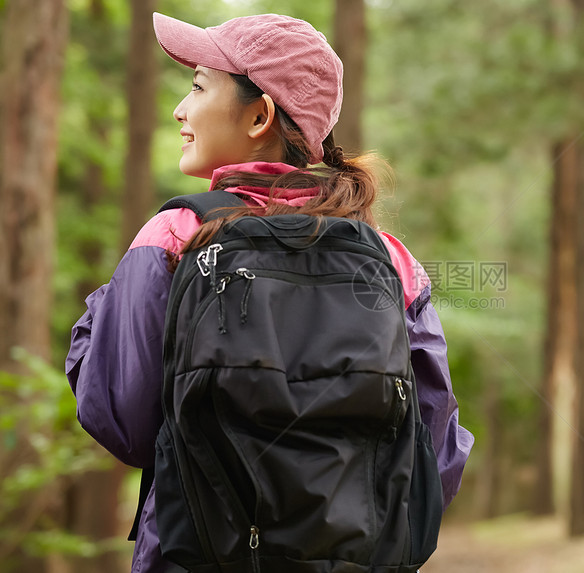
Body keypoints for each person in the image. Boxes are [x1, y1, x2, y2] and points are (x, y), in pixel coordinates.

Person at [65, 12, 474, 573]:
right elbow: (437, 455)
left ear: (260, 115)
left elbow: (124, 421)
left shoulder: (175, 237)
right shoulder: (391, 259)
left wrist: (96, 318)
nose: (181, 110)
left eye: (197, 87)